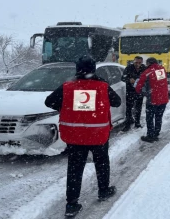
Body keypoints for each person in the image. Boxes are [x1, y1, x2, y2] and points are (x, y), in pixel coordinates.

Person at [45, 55, 121, 217]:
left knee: (74, 169)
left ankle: (71, 204)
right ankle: (103, 190)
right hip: (98, 135)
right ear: (93, 69)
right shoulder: (102, 86)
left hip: (75, 136)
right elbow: (117, 102)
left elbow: (49, 101)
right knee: (101, 163)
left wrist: (65, 107)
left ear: (77, 70)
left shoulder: (67, 87)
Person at [135, 57, 169, 143]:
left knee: (150, 118)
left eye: (146, 63)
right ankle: (156, 132)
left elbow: (139, 86)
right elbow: (160, 83)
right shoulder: (161, 70)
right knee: (158, 117)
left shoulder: (147, 72)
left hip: (153, 99)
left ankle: (150, 135)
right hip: (163, 99)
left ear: (149, 63)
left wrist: (139, 90)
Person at [120, 56, 147, 132]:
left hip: (139, 91)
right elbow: (122, 78)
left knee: (138, 108)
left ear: (141, 62)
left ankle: (137, 123)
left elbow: (147, 78)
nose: (138, 64)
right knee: (129, 108)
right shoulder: (129, 68)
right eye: (136, 62)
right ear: (133, 61)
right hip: (130, 91)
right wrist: (129, 80)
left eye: (139, 62)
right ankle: (128, 124)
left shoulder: (144, 68)